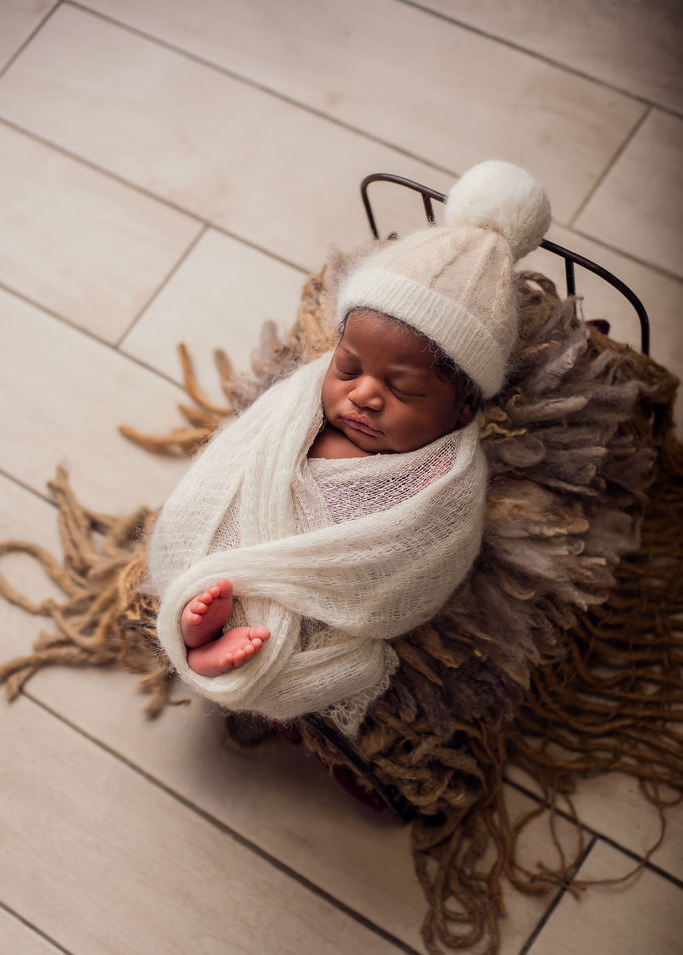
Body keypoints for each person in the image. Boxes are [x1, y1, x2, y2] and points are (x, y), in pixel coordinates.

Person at [148, 160, 552, 735]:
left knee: (328, 653)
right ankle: (198, 631)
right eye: (348, 367)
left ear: (462, 409)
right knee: (193, 537)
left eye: (401, 388)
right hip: (248, 536)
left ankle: (219, 650)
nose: (362, 395)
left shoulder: (442, 476)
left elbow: (421, 555)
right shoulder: (304, 407)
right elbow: (245, 451)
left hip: (322, 584)